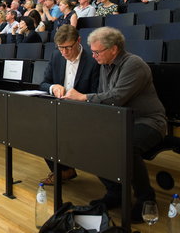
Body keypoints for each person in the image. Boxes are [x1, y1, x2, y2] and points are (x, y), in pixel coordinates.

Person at [64, 27, 167, 223]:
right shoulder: (105, 65)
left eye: (97, 52)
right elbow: (105, 98)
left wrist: (83, 97)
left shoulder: (134, 64)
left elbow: (116, 98)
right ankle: (116, 191)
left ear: (114, 49)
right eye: (92, 52)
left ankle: (146, 197)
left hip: (148, 121)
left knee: (126, 145)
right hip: (120, 120)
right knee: (85, 141)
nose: (93, 56)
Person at [38, 25, 100, 185]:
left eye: (68, 48)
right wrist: (53, 87)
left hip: (83, 112)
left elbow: (97, 93)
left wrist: (80, 98)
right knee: (36, 129)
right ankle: (64, 170)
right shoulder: (56, 56)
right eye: (60, 48)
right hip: (59, 109)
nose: (64, 52)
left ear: (78, 41)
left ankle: (65, 169)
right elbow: (43, 83)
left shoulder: (93, 61)